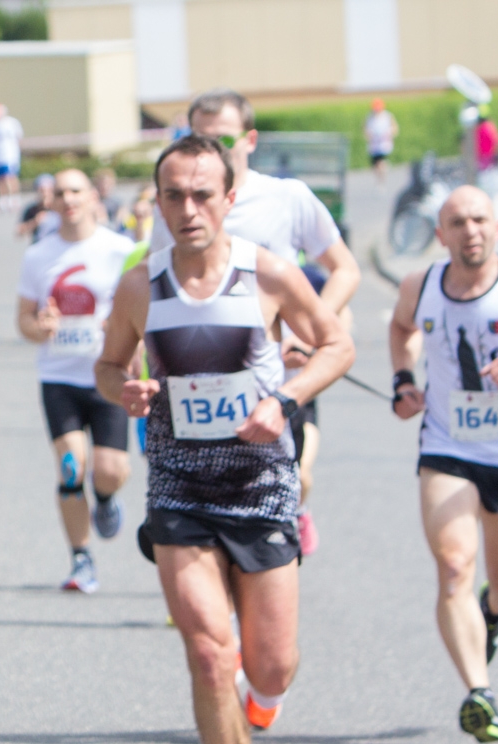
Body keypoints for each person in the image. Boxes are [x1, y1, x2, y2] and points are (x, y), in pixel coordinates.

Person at [97, 134, 354, 744]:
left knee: (270, 666)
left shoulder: (267, 275)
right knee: (211, 652)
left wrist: (286, 398)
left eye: (202, 193)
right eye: (172, 195)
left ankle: (261, 693)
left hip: (260, 484)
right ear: (158, 202)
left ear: (229, 198)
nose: (187, 209)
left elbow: (335, 345)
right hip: (180, 485)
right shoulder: (142, 287)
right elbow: (110, 364)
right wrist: (127, 389)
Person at [156, 88, 363, 558]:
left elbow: (345, 269)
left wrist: (304, 335)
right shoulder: (175, 206)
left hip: (279, 369)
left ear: (249, 139)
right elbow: (157, 285)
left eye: (223, 138)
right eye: (198, 137)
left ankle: (288, 521)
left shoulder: (286, 197)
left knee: (296, 474)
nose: (211, 148)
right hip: (204, 376)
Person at [389, 185, 498, 744]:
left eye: (480, 219)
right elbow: (400, 330)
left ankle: (492, 610)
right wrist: (403, 381)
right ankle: (479, 693)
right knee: (456, 565)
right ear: (441, 235)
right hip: (448, 446)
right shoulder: (421, 286)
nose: (471, 231)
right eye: (458, 223)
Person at [17, 169, 137, 593]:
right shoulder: (39, 255)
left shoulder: (120, 250)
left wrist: (119, 327)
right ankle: (81, 559)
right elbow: (24, 321)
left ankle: (104, 500)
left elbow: (141, 312)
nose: (68, 199)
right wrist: (41, 325)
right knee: (71, 467)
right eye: (60, 193)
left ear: (92, 197)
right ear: (50, 201)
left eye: (75, 191)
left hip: (109, 373)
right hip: (59, 376)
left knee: (109, 470)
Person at [0, 103, 24, 208]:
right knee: (0, 179)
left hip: (10, 155)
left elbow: (19, 138)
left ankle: (14, 197)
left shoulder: (11, 123)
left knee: (10, 177)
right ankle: (3, 199)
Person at [365, 98, 399, 185]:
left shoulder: (388, 116)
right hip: (374, 146)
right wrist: (370, 135)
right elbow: (366, 129)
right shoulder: (370, 117)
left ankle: (382, 178)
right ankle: (381, 177)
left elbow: (395, 128)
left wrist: (389, 134)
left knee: (380, 162)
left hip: (384, 144)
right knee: (375, 165)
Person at [17, 173, 59, 243]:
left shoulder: (60, 207)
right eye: (42, 190)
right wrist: (35, 222)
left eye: (49, 190)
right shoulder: (32, 208)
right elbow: (19, 232)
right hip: (38, 245)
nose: (45, 194)